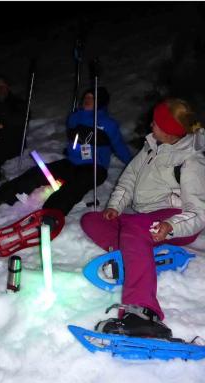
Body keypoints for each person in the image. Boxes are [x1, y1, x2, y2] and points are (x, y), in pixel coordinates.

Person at [80, 98, 205, 339]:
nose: (151, 124)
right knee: (92, 220)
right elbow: (128, 178)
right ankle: (136, 256)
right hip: (147, 218)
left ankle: (143, 314)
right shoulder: (152, 145)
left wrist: (170, 226)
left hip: (177, 221)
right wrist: (115, 206)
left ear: (171, 132)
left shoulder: (191, 161)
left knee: (133, 230)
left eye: (157, 123)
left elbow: (199, 213)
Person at [0, 87, 132, 222]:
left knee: (73, 187)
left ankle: (50, 215)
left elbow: (120, 147)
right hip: (72, 163)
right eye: (86, 97)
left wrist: (134, 164)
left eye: (92, 98)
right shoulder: (76, 117)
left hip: (95, 168)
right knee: (36, 173)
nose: (87, 100)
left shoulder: (108, 124)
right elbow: (72, 126)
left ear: (101, 102)